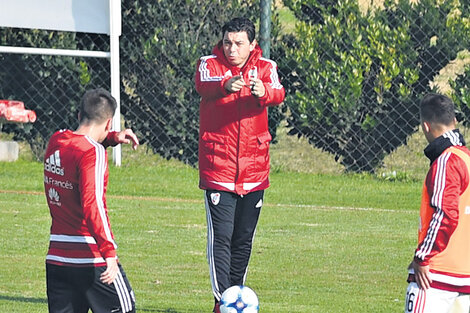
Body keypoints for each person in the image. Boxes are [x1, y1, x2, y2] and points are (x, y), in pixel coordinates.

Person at [194, 17, 285, 313]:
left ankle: (237, 296)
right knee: (221, 238)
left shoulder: (266, 67)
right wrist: (225, 85)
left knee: (243, 240)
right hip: (219, 169)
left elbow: (278, 92)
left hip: (254, 171)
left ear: (252, 45)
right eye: (227, 42)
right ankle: (223, 302)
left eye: (238, 43)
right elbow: (203, 85)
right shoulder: (209, 63)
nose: (231, 49)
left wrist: (265, 94)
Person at [44, 88, 139, 313]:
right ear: (108, 122)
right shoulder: (92, 153)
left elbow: (78, 142)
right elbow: (93, 204)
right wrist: (110, 253)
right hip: (91, 259)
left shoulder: (56, 140)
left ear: (79, 115)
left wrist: (114, 138)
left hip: (57, 259)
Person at [405, 93, 470, 313]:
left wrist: (423, 256)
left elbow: (446, 214)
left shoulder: (447, 161)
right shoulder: (466, 158)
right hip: (464, 278)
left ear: (426, 127)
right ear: (454, 122)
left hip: (436, 280)